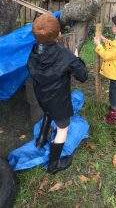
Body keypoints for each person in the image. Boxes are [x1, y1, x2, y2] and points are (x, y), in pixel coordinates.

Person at [27, 13, 88, 174]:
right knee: (62, 129)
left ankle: (41, 140)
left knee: (48, 112)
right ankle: (53, 165)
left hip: (41, 96)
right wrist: (76, 59)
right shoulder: (65, 55)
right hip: (58, 101)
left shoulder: (34, 51)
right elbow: (82, 76)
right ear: (59, 33)